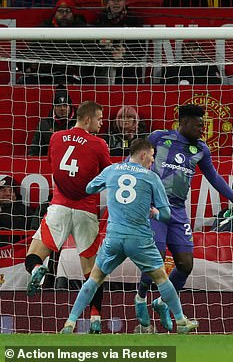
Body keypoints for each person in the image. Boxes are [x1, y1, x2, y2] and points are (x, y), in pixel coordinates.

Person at [134, 103, 233, 333]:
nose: (201, 130)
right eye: (198, 125)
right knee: (156, 257)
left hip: (177, 210)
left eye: (203, 126)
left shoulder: (201, 149)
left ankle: (162, 302)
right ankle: (140, 297)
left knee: (185, 264)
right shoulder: (159, 137)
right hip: (154, 206)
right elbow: (135, 161)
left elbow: (214, 178)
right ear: (183, 123)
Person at [60, 138, 198, 334]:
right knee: (161, 278)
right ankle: (182, 322)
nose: (152, 162)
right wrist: (155, 213)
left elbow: (89, 188)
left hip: (114, 238)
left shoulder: (112, 170)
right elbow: (166, 215)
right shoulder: (151, 177)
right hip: (139, 239)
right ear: (142, 155)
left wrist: (107, 186)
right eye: (151, 158)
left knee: (95, 278)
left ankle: (70, 323)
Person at [24, 101, 111, 334]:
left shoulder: (55, 138)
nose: (102, 124)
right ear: (87, 119)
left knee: (33, 255)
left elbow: (56, 168)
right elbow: (107, 175)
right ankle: (95, 319)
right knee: (92, 272)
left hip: (59, 207)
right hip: (85, 211)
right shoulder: (99, 144)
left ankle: (36, 271)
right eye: (99, 119)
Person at [94, 0, 145, 84]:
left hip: (128, 70)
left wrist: (124, 54)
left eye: (119, 0)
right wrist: (109, 54)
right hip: (104, 68)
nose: (116, 3)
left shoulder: (134, 20)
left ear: (125, 2)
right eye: (113, 0)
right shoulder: (100, 20)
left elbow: (141, 50)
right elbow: (93, 49)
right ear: (107, 2)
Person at [29, 86, 77, 156]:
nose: (62, 109)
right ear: (54, 107)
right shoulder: (45, 125)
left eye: (65, 105)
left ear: (70, 106)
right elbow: (34, 151)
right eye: (59, 106)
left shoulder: (79, 123)